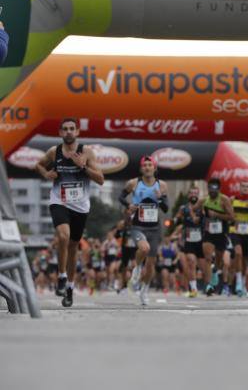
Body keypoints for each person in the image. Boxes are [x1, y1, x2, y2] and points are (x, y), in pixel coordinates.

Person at [35, 117, 105, 307]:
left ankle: (70, 289)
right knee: (63, 236)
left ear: (77, 132)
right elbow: (39, 165)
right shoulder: (54, 152)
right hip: (59, 201)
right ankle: (62, 276)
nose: (68, 132)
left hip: (80, 206)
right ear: (60, 133)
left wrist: (83, 166)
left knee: (74, 247)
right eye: (65, 129)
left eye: (71, 129)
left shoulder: (87, 152)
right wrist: (46, 174)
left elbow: (101, 179)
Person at [119, 155, 169, 306]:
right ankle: (137, 268)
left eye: (150, 165)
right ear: (141, 168)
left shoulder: (162, 185)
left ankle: (144, 291)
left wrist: (160, 198)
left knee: (151, 265)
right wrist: (129, 206)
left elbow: (166, 208)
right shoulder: (134, 183)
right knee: (144, 248)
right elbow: (121, 197)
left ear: (155, 168)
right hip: (138, 225)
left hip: (154, 227)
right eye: (145, 165)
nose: (147, 167)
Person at [200, 178, 235, 296]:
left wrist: (216, 214)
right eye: (210, 189)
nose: (212, 191)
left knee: (219, 261)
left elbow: (231, 217)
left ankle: (215, 271)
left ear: (219, 189)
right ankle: (208, 285)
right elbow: (194, 209)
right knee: (208, 258)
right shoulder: (204, 200)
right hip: (209, 232)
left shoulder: (224, 200)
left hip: (221, 233)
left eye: (215, 189)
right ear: (208, 189)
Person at [174, 185, 204, 297]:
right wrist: (176, 220)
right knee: (191, 261)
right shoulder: (183, 208)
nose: (193, 195)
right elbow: (177, 218)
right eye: (191, 193)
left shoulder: (202, 207)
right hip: (189, 238)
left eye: (196, 193)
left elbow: (198, 220)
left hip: (201, 239)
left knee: (203, 266)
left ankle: (210, 283)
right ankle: (194, 289)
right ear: (188, 195)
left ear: (198, 195)